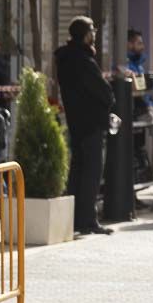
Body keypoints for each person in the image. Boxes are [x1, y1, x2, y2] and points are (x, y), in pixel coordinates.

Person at [55, 16, 114, 235]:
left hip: (76, 122)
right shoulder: (83, 60)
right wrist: (109, 96)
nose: (95, 35)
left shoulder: (66, 58)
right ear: (86, 34)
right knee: (91, 171)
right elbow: (104, 92)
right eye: (92, 31)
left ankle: (76, 218)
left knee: (78, 171)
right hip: (90, 123)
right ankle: (87, 220)